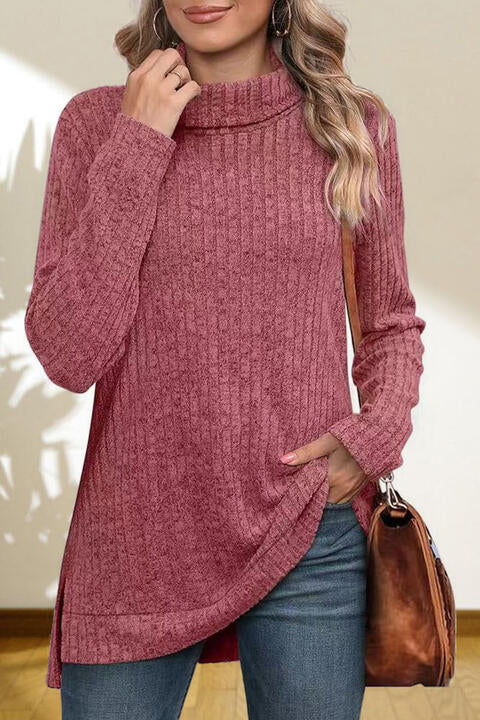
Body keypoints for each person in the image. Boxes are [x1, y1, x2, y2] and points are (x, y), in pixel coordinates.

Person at [24, 0, 426, 718]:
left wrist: (373, 438)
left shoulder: (350, 126)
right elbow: (67, 353)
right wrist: (139, 142)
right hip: (135, 540)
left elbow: (389, 320)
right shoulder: (98, 125)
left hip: (305, 527)